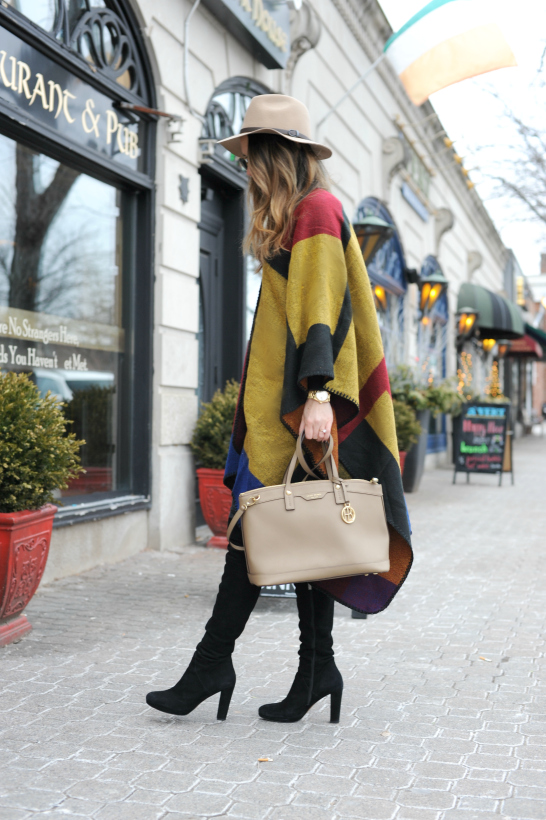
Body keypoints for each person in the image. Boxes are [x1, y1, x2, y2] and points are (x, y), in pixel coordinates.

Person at [146, 94, 412, 724]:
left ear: (275, 155)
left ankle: (214, 664)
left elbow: (322, 308)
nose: (245, 168)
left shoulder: (316, 209)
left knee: (255, 533)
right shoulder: (299, 213)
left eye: (251, 155)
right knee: (301, 538)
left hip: (306, 407)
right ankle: (314, 668)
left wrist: (318, 393)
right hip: (284, 407)